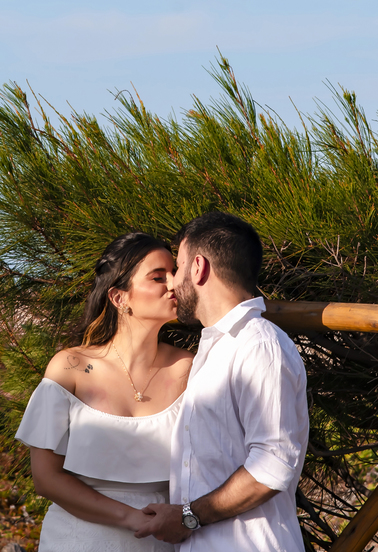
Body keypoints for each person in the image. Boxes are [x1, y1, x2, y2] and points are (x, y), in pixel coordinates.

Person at [134, 211, 309, 551]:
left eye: (178, 267)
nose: (172, 282)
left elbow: (273, 466)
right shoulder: (216, 348)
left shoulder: (260, 346)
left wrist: (188, 517)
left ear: (198, 267)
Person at [15, 232, 194, 551]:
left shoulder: (189, 368)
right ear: (119, 298)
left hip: (159, 540)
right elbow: (46, 478)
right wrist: (131, 518)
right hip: (78, 540)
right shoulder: (70, 367)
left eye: (173, 273)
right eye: (157, 277)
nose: (173, 284)